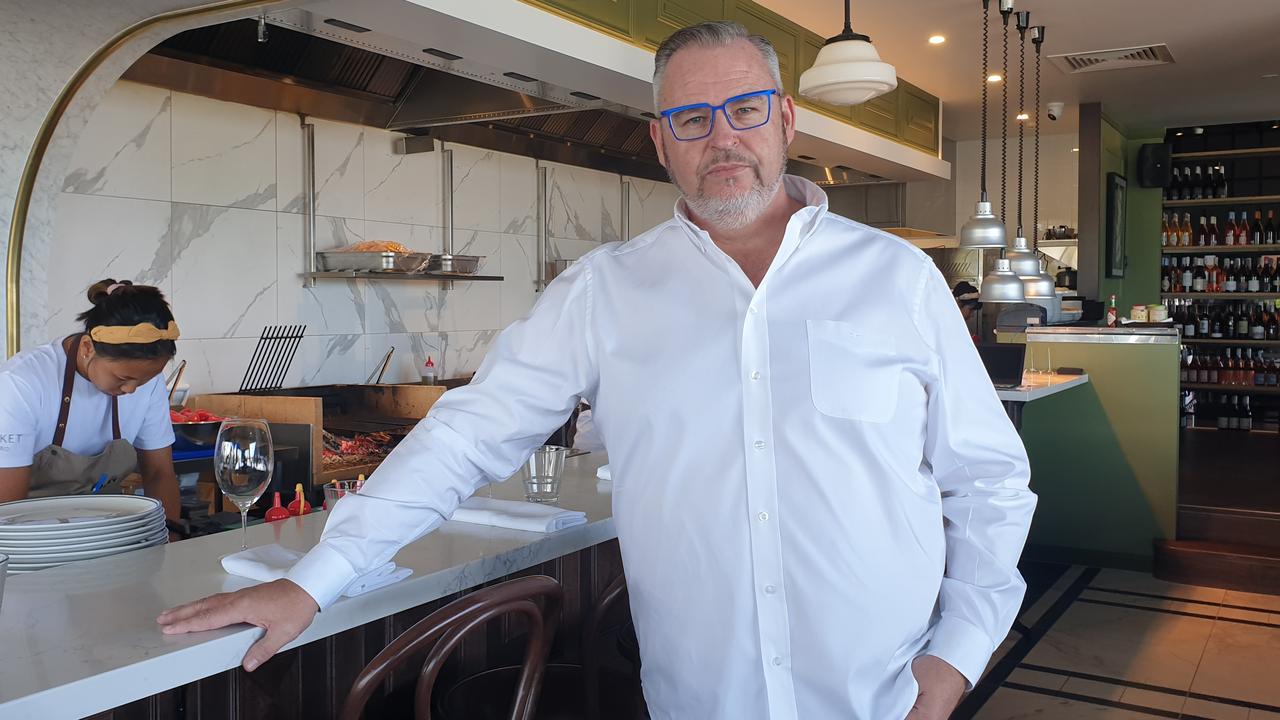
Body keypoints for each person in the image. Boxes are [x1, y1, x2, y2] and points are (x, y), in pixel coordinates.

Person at [159, 21, 1035, 720]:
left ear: (786, 120)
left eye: (744, 109)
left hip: (884, 696)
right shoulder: (603, 292)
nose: (720, 137)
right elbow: (466, 435)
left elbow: (988, 480)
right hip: (701, 700)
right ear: (662, 142)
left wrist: (957, 654)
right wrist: (314, 580)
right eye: (691, 119)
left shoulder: (895, 277)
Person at [0, 279, 181, 525]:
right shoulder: (21, 384)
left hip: (106, 533)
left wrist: (168, 535)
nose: (131, 389)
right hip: (30, 540)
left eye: (143, 381)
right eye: (122, 378)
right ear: (87, 348)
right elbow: (7, 509)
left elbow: (160, 473)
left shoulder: (147, 383)